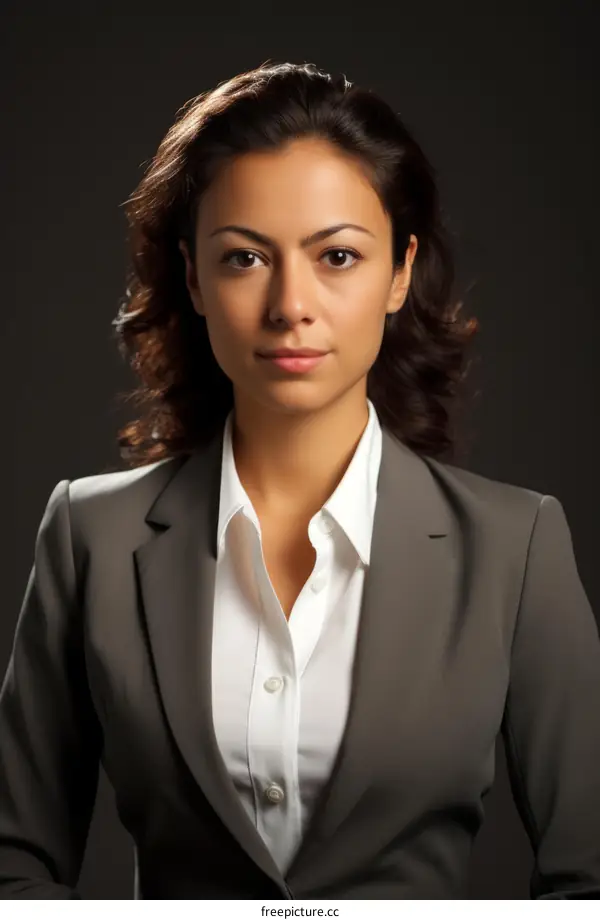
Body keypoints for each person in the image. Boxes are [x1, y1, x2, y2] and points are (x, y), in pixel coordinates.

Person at [1, 60, 599, 901]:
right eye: (244, 257)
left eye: (339, 256)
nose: (291, 304)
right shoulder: (88, 536)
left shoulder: (517, 548)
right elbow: (13, 865)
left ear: (399, 272)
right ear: (194, 278)